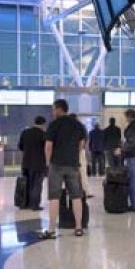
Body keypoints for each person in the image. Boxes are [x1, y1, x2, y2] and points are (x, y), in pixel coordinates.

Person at [41, 99, 87, 238]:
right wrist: (74, 157)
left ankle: (51, 230)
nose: (53, 112)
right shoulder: (78, 125)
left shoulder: (54, 125)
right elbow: (81, 145)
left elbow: (48, 146)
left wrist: (49, 162)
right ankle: (78, 227)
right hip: (73, 165)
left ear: (60, 109)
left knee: (54, 196)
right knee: (76, 196)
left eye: (54, 109)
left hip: (56, 164)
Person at [116, 109, 135, 211]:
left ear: (129, 116)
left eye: (126, 117)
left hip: (133, 156)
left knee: (133, 181)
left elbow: (132, 142)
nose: (126, 119)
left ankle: (134, 205)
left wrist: (121, 149)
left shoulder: (133, 127)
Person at [18, 115, 47, 211]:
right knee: (37, 184)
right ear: (43, 124)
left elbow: (20, 146)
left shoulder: (25, 132)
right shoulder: (44, 134)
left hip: (26, 163)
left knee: (26, 183)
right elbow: (46, 149)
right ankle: (35, 205)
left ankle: (25, 204)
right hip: (39, 163)